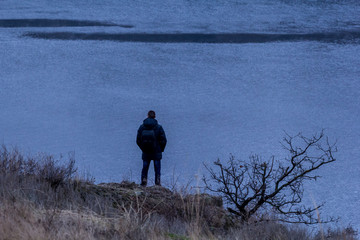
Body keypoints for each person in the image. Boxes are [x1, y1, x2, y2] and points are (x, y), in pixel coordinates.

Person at [136, 110, 167, 186]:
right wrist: (160, 149)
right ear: (155, 116)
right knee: (157, 169)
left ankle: (143, 183)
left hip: (146, 152)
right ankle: (157, 183)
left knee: (145, 168)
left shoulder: (142, 127)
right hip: (156, 151)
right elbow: (164, 140)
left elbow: (138, 140)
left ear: (147, 116)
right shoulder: (159, 127)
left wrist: (143, 148)